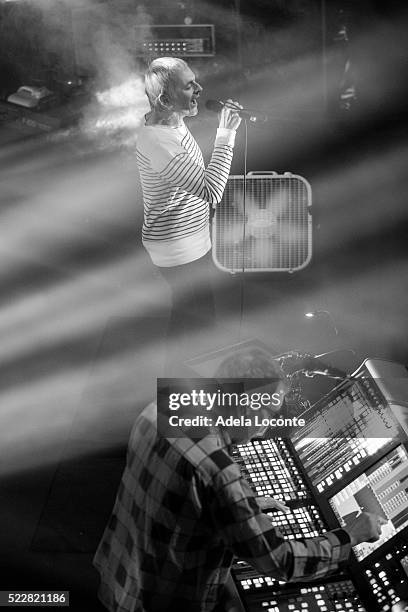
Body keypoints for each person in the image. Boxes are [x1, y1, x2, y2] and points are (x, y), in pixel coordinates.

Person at [93, 348, 386, 612]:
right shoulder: (219, 474)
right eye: (271, 413)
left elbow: (169, 487)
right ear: (247, 405)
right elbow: (280, 561)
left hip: (118, 572)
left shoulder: (160, 406)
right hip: (162, 599)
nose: (270, 423)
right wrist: (351, 535)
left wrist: (240, 505)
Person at [136, 57, 242, 375]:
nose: (199, 89)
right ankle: (179, 392)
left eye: (195, 81)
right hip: (176, 248)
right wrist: (226, 133)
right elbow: (211, 191)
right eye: (189, 85)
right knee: (195, 323)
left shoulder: (171, 119)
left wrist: (190, 102)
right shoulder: (158, 141)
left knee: (194, 318)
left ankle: (184, 387)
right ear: (165, 100)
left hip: (190, 241)